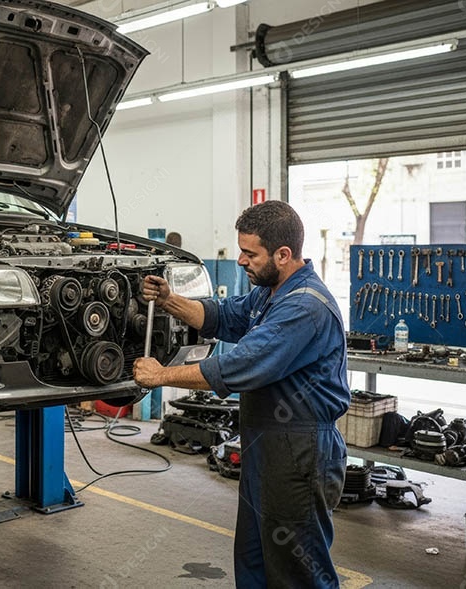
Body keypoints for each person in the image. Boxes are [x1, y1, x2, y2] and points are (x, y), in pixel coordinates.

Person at [133, 200, 350, 588]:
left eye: (250, 253)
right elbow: (226, 316)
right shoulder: (272, 292)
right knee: (254, 557)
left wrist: (162, 375)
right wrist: (169, 300)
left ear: (283, 255)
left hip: (300, 451)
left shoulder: (304, 307)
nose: (240, 261)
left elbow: (239, 366)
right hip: (265, 445)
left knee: (297, 568)